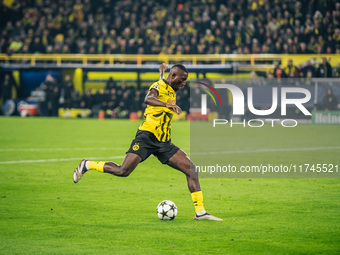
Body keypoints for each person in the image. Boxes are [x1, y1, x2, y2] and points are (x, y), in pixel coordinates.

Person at [73, 63, 222, 221]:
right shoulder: (158, 86)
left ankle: (200, 212)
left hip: (164, 142)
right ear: (173, 76)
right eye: (183, 79)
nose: (184, 83)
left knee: (192, 170)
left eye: (186, 80)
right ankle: (87, 164)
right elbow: (149, 98)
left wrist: (161, 72)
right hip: (146, 137)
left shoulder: (168, 86)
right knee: (123, 171)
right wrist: (167, 105)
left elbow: (163, 83)